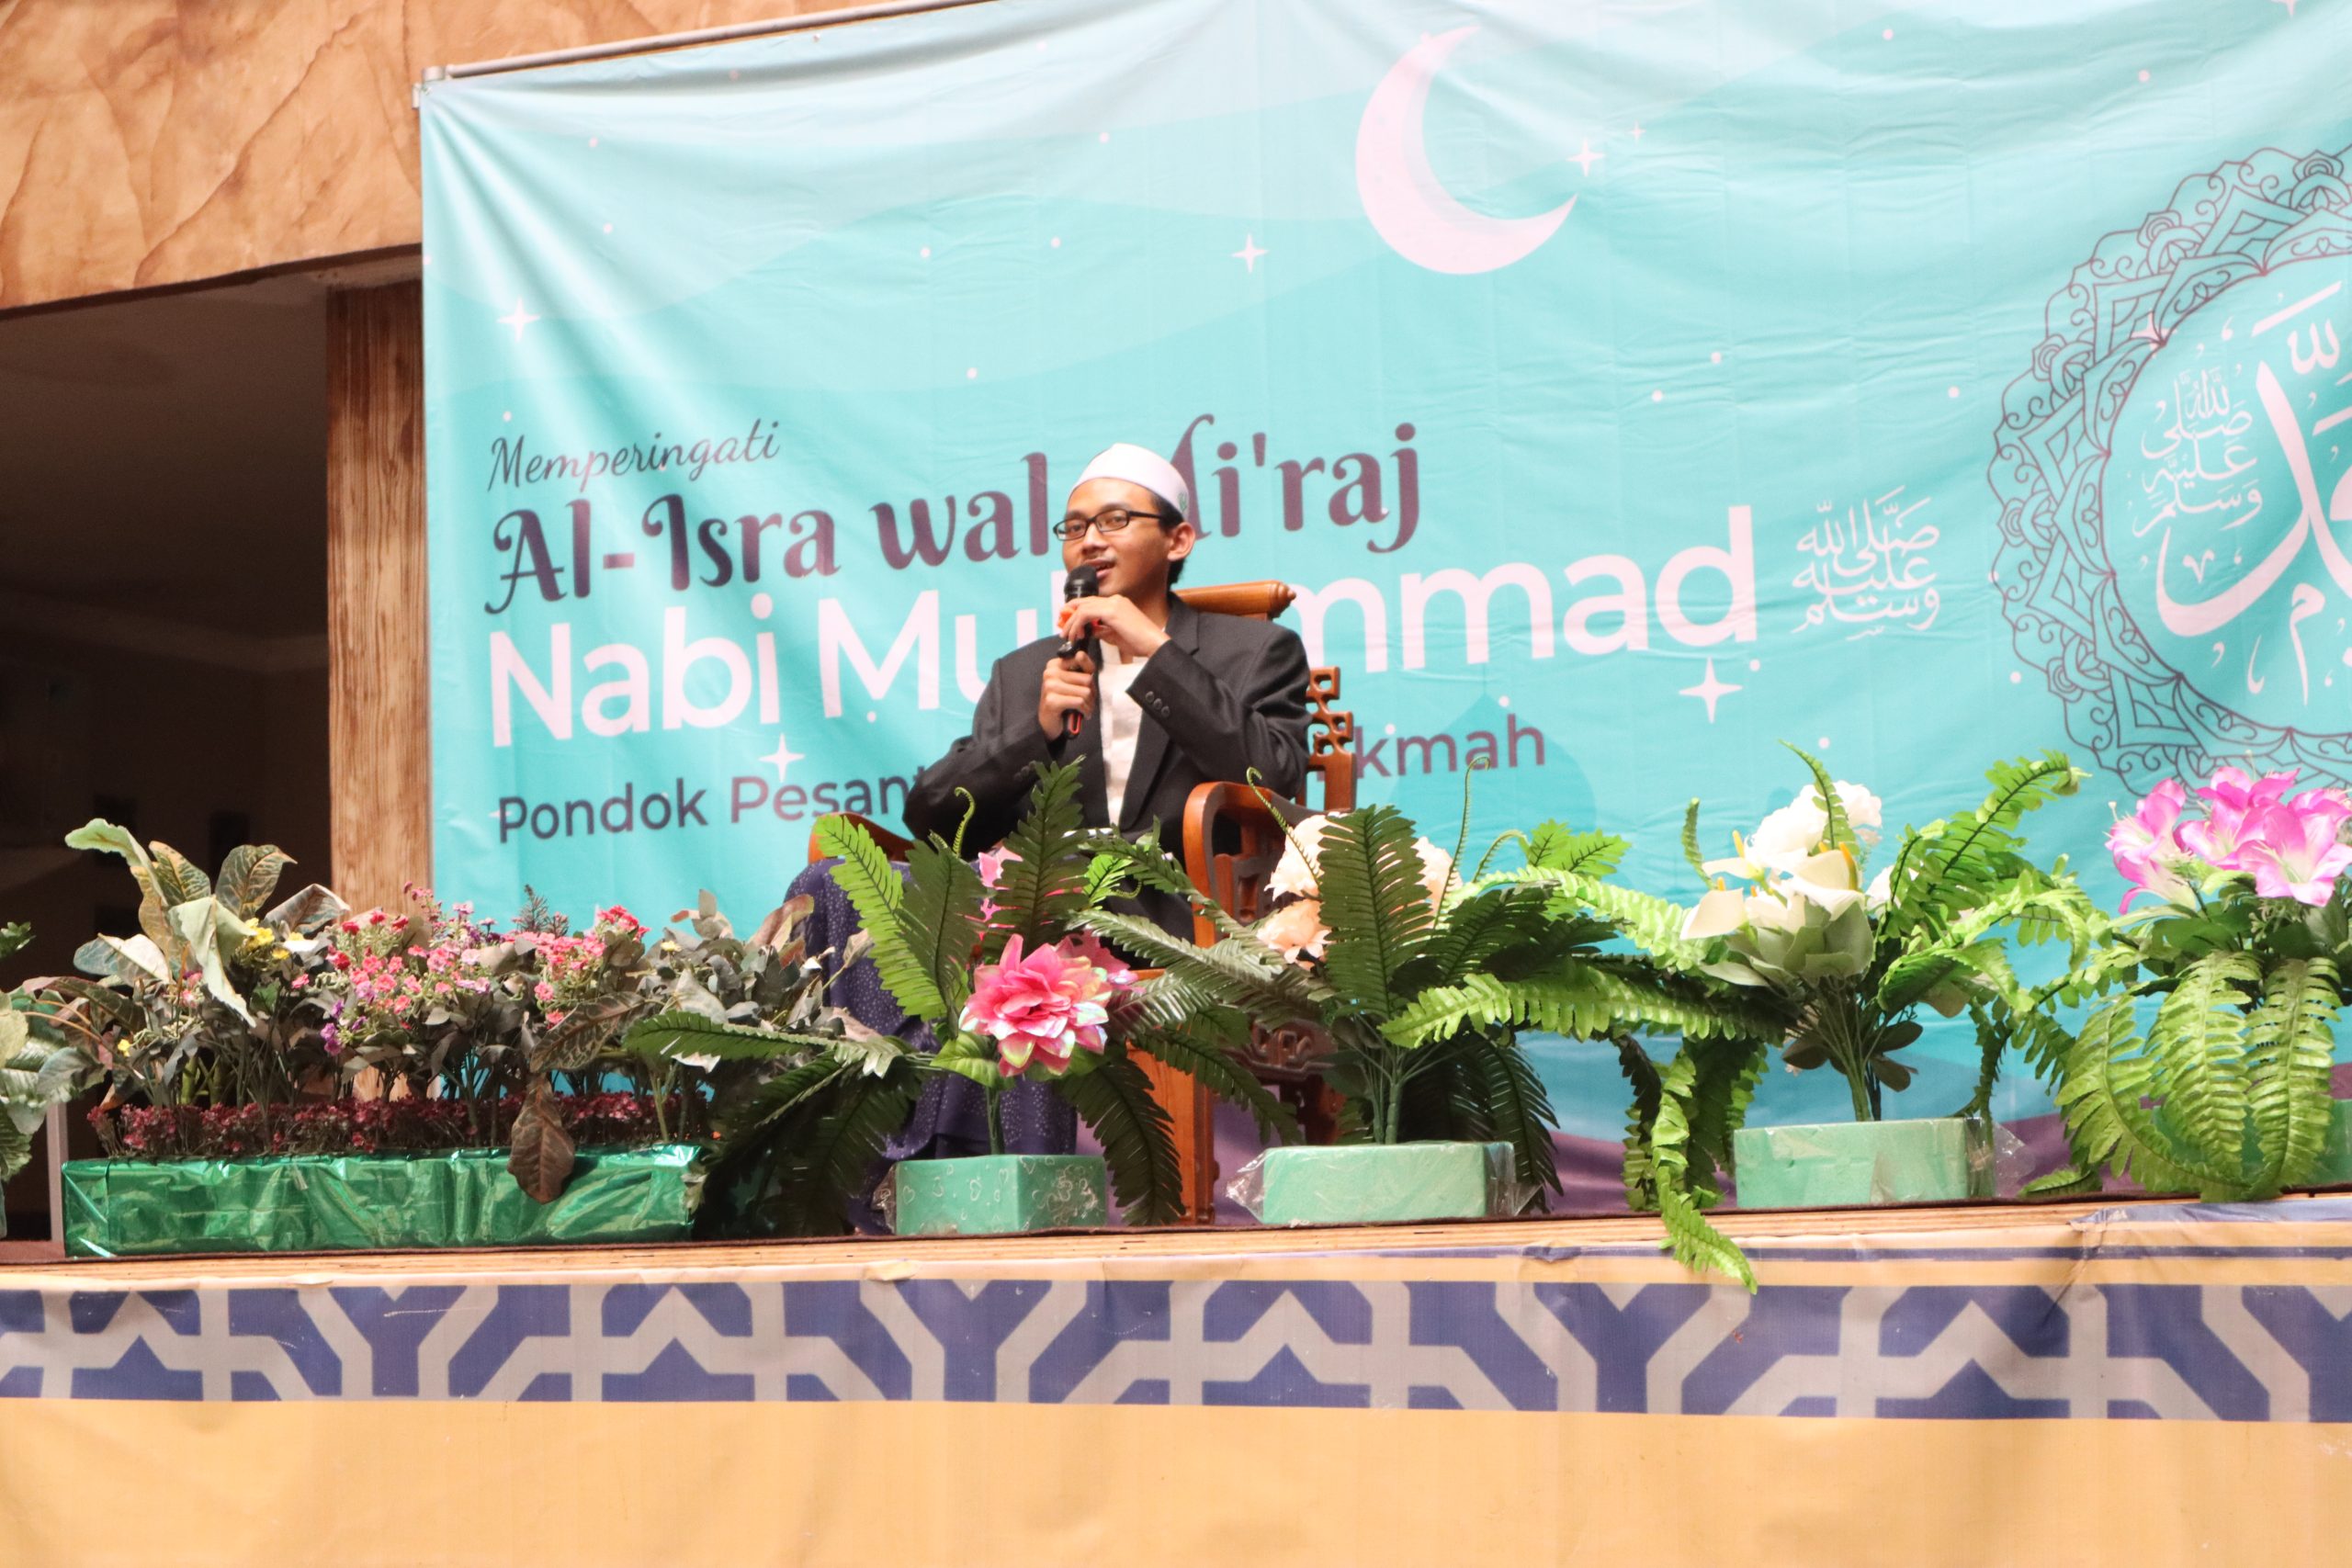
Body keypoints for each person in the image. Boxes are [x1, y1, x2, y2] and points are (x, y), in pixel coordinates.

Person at [904, 441, 1312, 934]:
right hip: (1041, 920)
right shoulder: (1024, 673)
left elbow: (1273, 780)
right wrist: (1037, 732)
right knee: (853, 886)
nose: (1090, 541)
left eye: (1115, 520)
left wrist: (1159, 656)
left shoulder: (1256, 651)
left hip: (1183, 916)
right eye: (1075, 528)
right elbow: (931, 818)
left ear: (1178, 540)